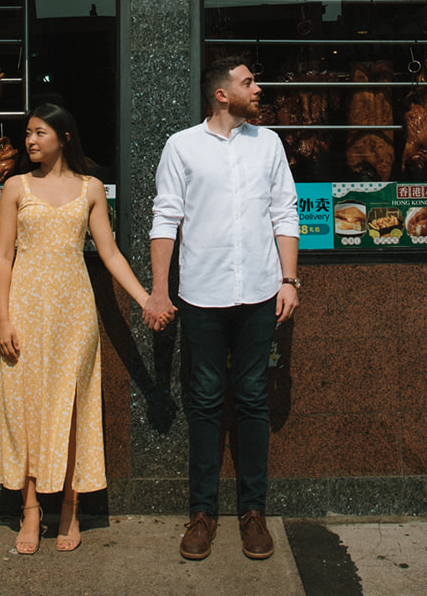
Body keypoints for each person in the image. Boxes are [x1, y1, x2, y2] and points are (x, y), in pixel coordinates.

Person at [0, 103, 166, 555]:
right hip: (25, 307)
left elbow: (109, 254)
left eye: (40, 133)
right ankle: (29, 511)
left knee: (72, 403)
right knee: (22, 405)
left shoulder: (91, 189)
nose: (30, 141)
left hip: (74, 312)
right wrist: (3, 317)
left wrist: (146, 298)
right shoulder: (14, 186)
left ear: (64, 137)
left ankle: (69, 508)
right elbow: (2, 255)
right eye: (27, 133)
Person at [144, 56, 301, 562]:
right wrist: (160, 291)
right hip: (202, 298)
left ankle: (253, 513)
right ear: (221, 93)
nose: (258, 88)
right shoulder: (182, 146)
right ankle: (202, 514)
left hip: (259, 293)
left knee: (254, 397)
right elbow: (165, 219)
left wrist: (288, 279)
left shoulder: (269, 143)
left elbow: (285, 211)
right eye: (248, 82)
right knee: (206, 399)